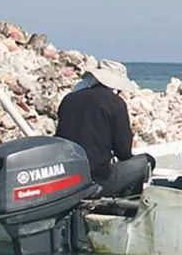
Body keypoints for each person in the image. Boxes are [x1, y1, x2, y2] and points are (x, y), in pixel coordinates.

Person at [53, 60, 153, 197]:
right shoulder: (115, 104)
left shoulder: (69, 99)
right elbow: (123, 152)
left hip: (67, 175)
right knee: (147, 161)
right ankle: (127, 206)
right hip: (98, 178)